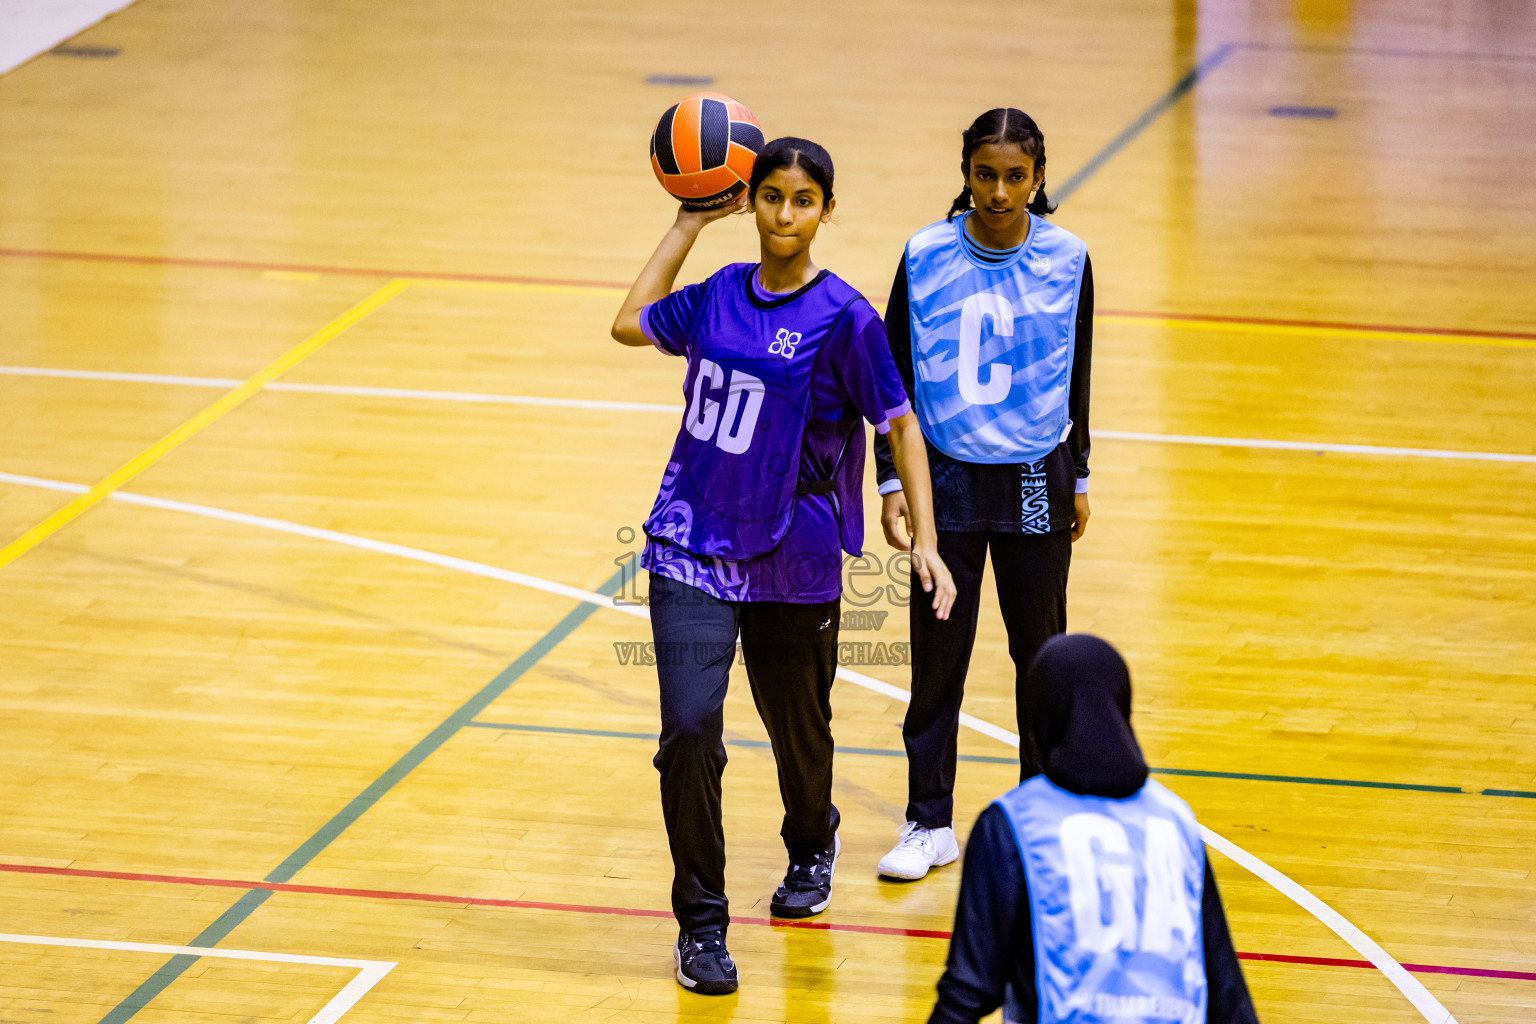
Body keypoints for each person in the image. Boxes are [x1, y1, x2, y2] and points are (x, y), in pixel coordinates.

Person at [610, 136, 957, 995]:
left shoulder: (847, 319)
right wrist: (688, 220)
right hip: (689, 538)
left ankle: (813, 838)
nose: (785, 214)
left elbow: (900, 424)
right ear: (752, 202)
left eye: (803, 200)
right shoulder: (721, 296)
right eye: (770, 197)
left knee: (798, 729)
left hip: (793, 556)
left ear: (825, 212)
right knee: (690, 731)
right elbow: (629, 322)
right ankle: (701, 925)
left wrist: (929, 539)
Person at [872, 108, 1095, 880]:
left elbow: (1079, 366)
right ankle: (928, 822)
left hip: (1037, 475)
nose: (999, 192)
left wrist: (1084, 472)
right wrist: (892, 477)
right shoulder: (925, 252)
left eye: (1016, 177)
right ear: (964, 171)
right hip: (946, 483)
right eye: (984, 175)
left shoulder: (1069, 258)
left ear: (1039, 177)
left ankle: (1040, 820)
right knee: (939, 661)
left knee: (1042, 659)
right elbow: (889, 372)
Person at [928, 634, 1260, 1024]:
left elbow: (970, 988)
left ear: (1040, 715)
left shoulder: (1013, 825)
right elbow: (1227, 993)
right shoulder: (1175, 820)